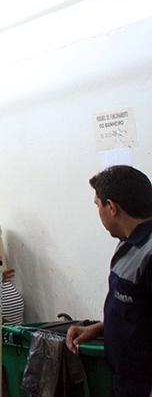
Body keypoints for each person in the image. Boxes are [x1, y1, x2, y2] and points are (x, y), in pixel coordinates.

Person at [67, 165, 152, 397]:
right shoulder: (128, 244)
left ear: (111, 207)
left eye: (98, 205)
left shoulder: (149, 254)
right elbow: (139, 311)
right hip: (124, 383)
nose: (99, 211)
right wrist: (99, 330)